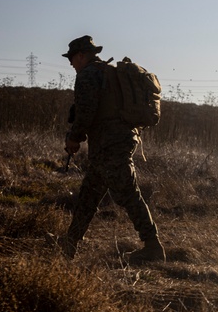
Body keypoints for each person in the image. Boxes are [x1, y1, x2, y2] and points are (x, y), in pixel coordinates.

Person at [60, 35, 166, 263]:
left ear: (81, 55)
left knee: (128, 193)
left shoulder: (88, 74)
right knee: (89, 195)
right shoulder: (107, 72)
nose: (70, 63)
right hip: (112, 143)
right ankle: (69, 243)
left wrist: (74, 138)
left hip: (112, 144)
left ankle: (152, 246)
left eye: (71, 58)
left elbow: (86, 111)